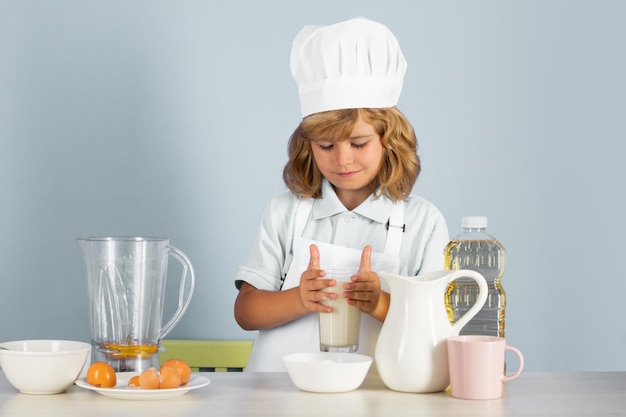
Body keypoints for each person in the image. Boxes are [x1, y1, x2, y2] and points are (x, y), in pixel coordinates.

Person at [234, 17, 450, 372]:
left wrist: (379, 302)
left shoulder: (423, 222)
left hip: (378, 399)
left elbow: (433, 327)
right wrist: (299, 298)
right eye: (326, 145)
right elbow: (246, 312)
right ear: (308, 146)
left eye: (359, 143)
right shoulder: (285, 212)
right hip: (282, 397)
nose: (342, 159)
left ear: (389, 139)